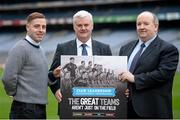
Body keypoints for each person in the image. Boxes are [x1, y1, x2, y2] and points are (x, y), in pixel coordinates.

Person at [48, 10, 112, 118]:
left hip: (97, 108)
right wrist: (56, 89)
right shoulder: (62, 48)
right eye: (79, 25)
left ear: (92, 26)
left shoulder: (104, 48)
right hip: (70, 107)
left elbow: (111, 77)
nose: (83, 28)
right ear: (74, 27)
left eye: (86, 25)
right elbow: (52, 74)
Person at [119, 11, 179, 119]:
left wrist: (135, 78)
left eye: (146, 24)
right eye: (139, 24)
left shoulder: (168, 49)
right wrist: (123, 89)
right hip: (126, 110)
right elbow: (121, 74)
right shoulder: (125, 48)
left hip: (152, 111)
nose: (141, 27)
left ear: (155, 26)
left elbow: (163, 74)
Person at [2, 12, 49, 119]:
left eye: (44, 27)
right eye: (36, 26)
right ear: (28, 27)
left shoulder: (41, 49)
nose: (41, 30)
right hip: (24, 108)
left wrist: (53, 75)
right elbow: (8, 77)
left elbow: (39, 78)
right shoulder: (20, 48)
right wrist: (15, 94)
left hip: (40, 107)